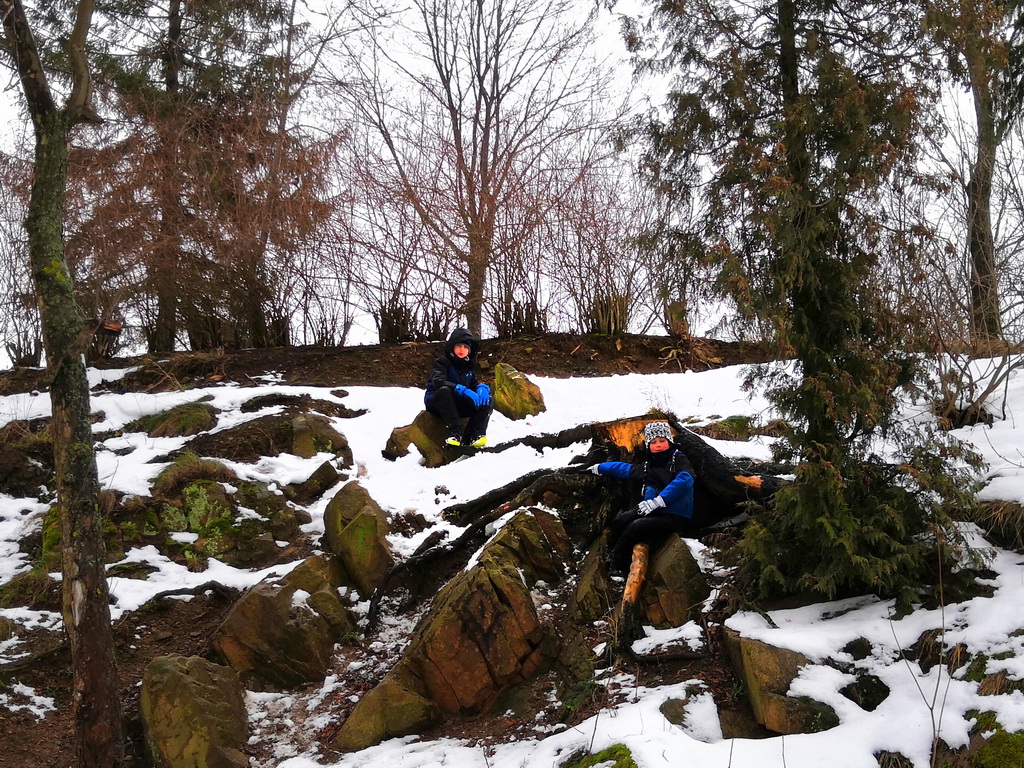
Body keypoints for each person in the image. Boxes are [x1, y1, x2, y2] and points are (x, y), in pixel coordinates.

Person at [580, 421, 696, 578]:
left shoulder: (679, 459)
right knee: (621, 520)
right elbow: (626, 469)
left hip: (675, 515)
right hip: (653, 510)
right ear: (648, 445)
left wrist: (659, 501)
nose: (658, 445)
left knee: (636, 527)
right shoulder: (649, 466)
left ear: (669, 441)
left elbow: (685, 480)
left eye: (662, 440)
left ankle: (618, 567)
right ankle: (610, 554)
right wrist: (600, 467)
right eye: (654, 442)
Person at [424, 327, 493, 448]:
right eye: (459, 346)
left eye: (466, 347)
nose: (462, 349)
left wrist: (482, 388)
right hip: (438, 402)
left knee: (486, 400)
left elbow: (474, 385)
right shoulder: (442, 362)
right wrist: (459, 388)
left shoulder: (468, 367)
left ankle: (473, 435)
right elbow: (438, 381)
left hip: (457, 405)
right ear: (452, 347)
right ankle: (455, 433)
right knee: (444, 391)